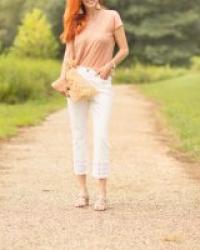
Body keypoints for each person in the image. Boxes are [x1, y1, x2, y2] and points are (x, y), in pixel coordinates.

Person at [59, 0, 129, 211]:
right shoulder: (75, 19)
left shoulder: (112, 16)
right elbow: (68, 54)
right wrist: (63, 78)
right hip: (77, 81)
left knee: (101, 137)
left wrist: (110, 64)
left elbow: (124, 49)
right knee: (78, 136)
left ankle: (102, 194)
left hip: (101, 83)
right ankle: (82, 192)